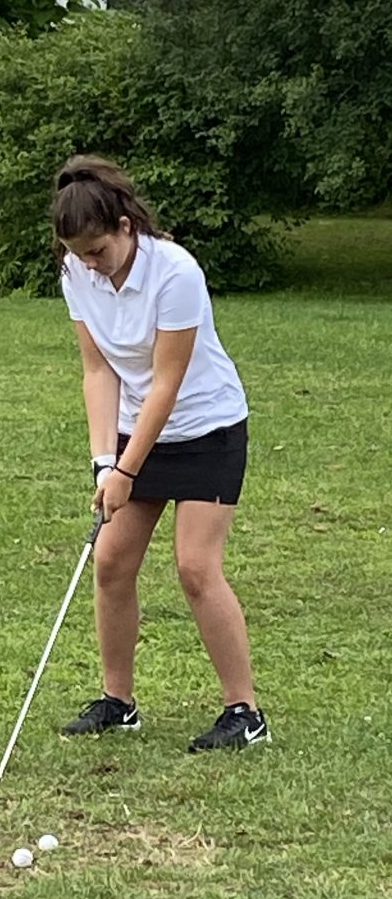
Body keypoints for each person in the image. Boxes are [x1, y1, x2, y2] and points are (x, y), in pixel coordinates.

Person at [52, 154, 271, 752]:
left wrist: (127, 468)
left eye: (97, 249)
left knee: (196, 568)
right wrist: (106, 462)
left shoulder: (175, 272)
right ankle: (118, 702)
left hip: (206, 427)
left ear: (125, 227)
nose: (89, 263)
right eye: (78, 254)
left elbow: (166, 381)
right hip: (134, 431)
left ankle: (245, 712)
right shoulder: (76, 272)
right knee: (111, 562)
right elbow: (98, 370)